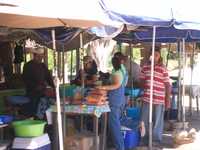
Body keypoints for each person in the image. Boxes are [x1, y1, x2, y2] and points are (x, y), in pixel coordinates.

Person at [139, 46, 171, 146]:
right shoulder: (145, 67)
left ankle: (156, 141)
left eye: (156, 55)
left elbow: (168, 85)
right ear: (150, 56)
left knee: (157, 121)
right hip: (147, 98)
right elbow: (141, 80)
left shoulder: (163, 68)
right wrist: (145, 85)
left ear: (159, 56)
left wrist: (167, 100)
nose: (154, 57)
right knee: (144, 120)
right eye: (152, 55)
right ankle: (144, 140)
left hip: (159, 99)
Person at [96, 55, 126, 150]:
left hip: (116, 100)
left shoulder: (118, 72)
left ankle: (120, 147)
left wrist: (103, 87)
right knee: (113, 123)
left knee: (114, 125)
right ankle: (114, 144)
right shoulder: (119, 70)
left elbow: (116, 85)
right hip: (117, 99)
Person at [22, 47, 55, 117]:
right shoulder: (28, 66)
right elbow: (26, 79)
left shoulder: (43, 66)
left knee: (48, 102)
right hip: (32, 91)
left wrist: (53, 87)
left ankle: (46, 120)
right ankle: (34, 118)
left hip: (43, 90)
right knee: (34, 105)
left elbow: (49, 78)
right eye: (39, 57)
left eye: (41, 57)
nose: (41, 58)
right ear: (34, 56)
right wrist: (35, 86)